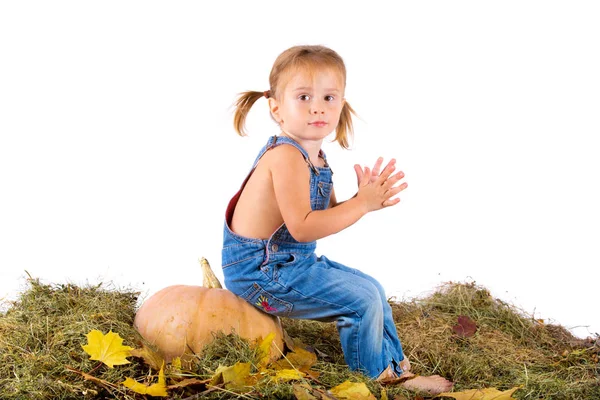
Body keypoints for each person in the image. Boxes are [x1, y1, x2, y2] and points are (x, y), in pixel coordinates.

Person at [221, 44, 453, 394]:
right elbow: (302, 228)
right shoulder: (285, 156)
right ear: (276, 108)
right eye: (303, 97)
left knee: (372, 288)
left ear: (341, 105)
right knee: (360, 303)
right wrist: (360, 205)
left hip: (289, 264)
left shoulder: (317, 157)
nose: (318, 106)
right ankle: (377, 379)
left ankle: (397, 369)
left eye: (329, 97)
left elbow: (324, 216)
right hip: (260, 274)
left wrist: (362, 200)